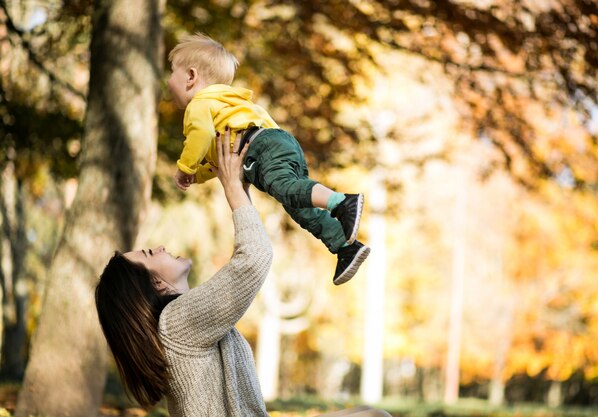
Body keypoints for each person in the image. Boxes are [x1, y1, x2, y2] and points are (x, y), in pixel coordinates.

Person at [94, 130, 391, 417]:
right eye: (149, 254)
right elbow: (253, 259)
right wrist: (233, 189)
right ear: (155, 284)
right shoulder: (176, 324)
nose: (158, 247)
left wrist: (242, 187)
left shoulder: (181, 323)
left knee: (374, 415)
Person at [167, 33, 369, 285]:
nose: (168, 80)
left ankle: (341, 203)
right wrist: (197, 176)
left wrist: (184, 168)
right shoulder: (228, 106)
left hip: (261, 149)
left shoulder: (199, 104)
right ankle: (344, 246)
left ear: (190, 77)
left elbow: (201, 135)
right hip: (277, 143)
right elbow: (218, 160)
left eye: (171, 72)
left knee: (284, 188)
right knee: (298, 205)